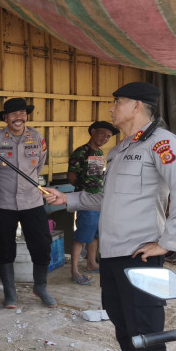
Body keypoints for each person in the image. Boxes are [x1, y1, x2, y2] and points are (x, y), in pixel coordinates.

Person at [44, 81, 176, 351]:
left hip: (141, 256)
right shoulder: (121, 149)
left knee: (148, 333)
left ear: (138, 107)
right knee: (124, 326)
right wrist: (64, 199)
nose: (111, 108)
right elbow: (104, 199)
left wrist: (168, 242)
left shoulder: (162, 143)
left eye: (117, 102)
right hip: (114, 257)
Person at [0, 97, 56, 308]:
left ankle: (40, 287)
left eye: (22, 113)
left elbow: (39, 166)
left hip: (32, 201)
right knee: (6, 248)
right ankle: (10, 292)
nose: (18, 117)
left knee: (42, 245)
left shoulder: (37, 137)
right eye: (13, 114)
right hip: (3, 203)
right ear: (5, 117)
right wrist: (4, 188)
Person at [66, 120, 119, 285]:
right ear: (93, 132)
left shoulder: (101, 153)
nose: (105, 138)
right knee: (82, 235)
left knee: (95, 233)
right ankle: (74, 271)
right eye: (102, 133)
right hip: (85, 200)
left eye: (109, 136)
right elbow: (71, 177)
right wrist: (84, 190)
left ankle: (91, 263)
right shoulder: (80, 152)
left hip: (98, 199)